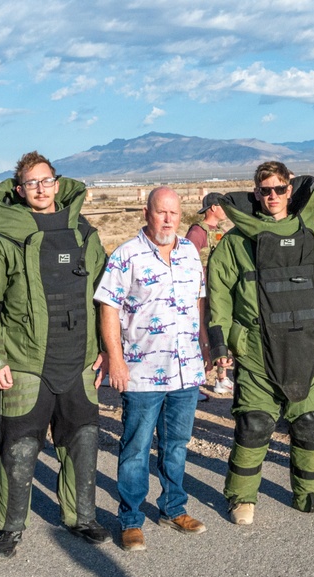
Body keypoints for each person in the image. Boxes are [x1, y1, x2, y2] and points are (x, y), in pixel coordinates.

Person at [0, 151, 110, 559]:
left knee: (83, 441)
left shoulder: (83, 231)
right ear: (19, 189)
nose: (40, 189)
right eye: (31, 183)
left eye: (46, 180)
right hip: (25, 363)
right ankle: (9, 527)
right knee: (18, 447)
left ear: (57, 183)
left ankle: (81, 517)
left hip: (79, 359)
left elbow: (105, 297)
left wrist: (103, 348)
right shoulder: (1, 235)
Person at [207, 161, 314, 524]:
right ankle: (241, 497)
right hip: (257, 351)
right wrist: (221, 347)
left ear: (290, 190)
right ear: (256, 193)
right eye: (265, 191)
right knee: (256, 423)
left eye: (279, 189)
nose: (273, 196)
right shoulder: (235, 243)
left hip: (308, 348)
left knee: (311, 422)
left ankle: (310, 494)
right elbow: (220, 298)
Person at [97, 187, 208, 551]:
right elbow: (108, 308)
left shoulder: (190, 252)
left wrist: (205, 344)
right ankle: (130, 519)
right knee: (136, 447)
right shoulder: (125, 256)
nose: (167, 220)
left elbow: (199, 302)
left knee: (176, 444)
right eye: (161, 212)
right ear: (147, 212)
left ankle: (173, 507)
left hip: (186, 369)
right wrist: (115, 358)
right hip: (142, 370)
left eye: (174, 214)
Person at [186, 192, 233, 394]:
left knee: (219, 332)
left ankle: (221, 377)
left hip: (218, 291)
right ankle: (195, 381)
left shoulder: (221, 231)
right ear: (213, 207)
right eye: (222, 205)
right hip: (201, 294)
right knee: (200, 335)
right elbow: (186, 261)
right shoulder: (197, 232)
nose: (225, 210)